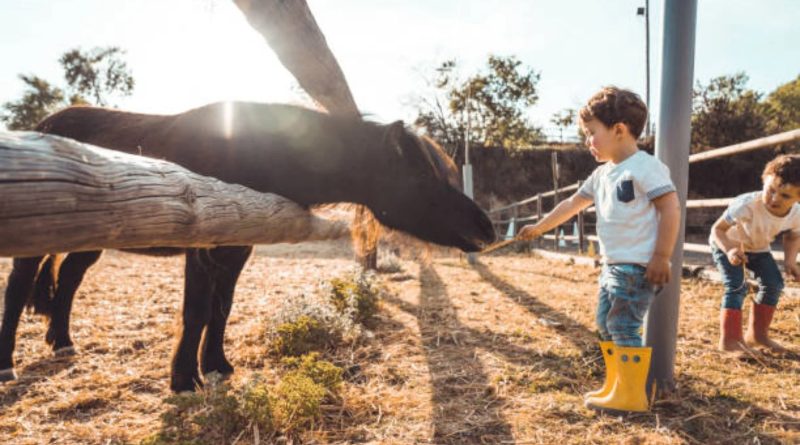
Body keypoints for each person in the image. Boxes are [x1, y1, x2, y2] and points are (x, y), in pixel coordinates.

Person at [517, 86, 680, 413]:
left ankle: (633, 395)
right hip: (612, 266)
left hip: (637, 266)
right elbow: (571, 204)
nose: (587, 141)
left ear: (619, 130)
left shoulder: (645, 167)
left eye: (592, 133)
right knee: (606, 324)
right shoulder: (602, 174)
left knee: (623, 325)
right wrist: (539, 227)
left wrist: (662, 255)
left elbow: (670, 208)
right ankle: (618, 385)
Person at [710, 154, 800, 355]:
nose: (774, 198)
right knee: (737, 286)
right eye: (771, 190)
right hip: (729, 243)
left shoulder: (796, 214)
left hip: (758, 248)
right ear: (764, 180)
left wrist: (790, 261)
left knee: (774, 284)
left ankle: (758, 336)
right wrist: (730, 249)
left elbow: (794, 236)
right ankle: (730, 341)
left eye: (785, 196)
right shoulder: (747, 205)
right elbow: (718, 230)